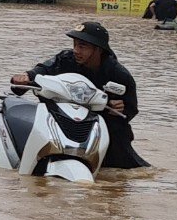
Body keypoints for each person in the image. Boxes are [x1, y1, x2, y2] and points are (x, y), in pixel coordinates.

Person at [11, 19, 146, 170]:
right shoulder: (65, 59)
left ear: (98, 50)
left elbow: (131, 109)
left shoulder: (119, 75)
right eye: (74, 44)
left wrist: (121, 108)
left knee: (123, 162)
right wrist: (26, 76)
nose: (76, 50)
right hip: (62, 117)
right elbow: (43, 70)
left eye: (82, 46)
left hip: (100, 125)